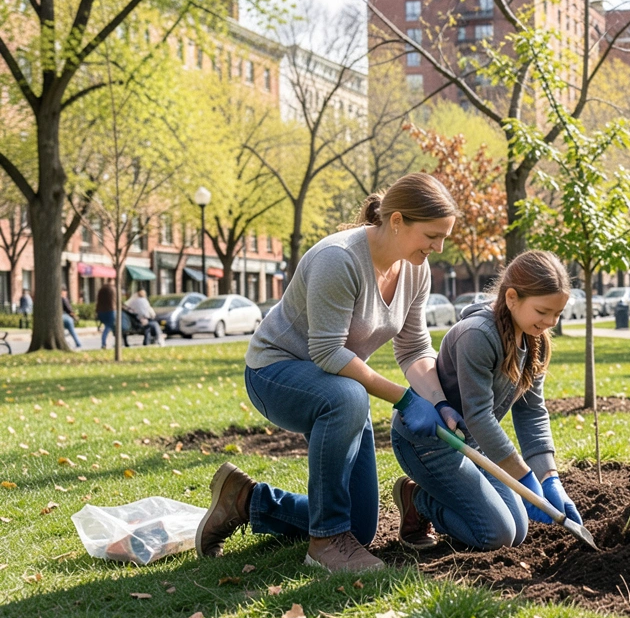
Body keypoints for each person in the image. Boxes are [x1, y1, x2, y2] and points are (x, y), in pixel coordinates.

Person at [196, 173, 459, 572]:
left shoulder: (414, 269)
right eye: (432, 235)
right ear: (398, 221)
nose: (438, 248)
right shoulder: (339, 259)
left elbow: (414, 348)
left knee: (359, 527)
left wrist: (438, 402)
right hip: (276, 372)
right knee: (349, 396)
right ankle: (324, 544)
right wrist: (405, 399)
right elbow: (326, 351)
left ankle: (247, 500)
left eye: (444, 238)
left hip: (337, 383)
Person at [390, 250, 582, 550]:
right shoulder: (477, 335)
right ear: (512, 298)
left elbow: (531, 412)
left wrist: (549, 477)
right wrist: (524, 477)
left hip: (470, 444)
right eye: (543, 311)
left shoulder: (536, 342)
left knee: (517, 530)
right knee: (496, 535)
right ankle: (418, 499)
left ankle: (446, 497)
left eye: (557, 314)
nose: (550, 322)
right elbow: (478, 415)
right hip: (427, 443)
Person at [95, 281, 118, 348]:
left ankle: (107, 342)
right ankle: (104, 343)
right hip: (111, 310)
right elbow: (116, 300)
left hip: (100, 311)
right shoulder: (113, 289)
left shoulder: (101, 290)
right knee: (109, 327)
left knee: (108, 326)